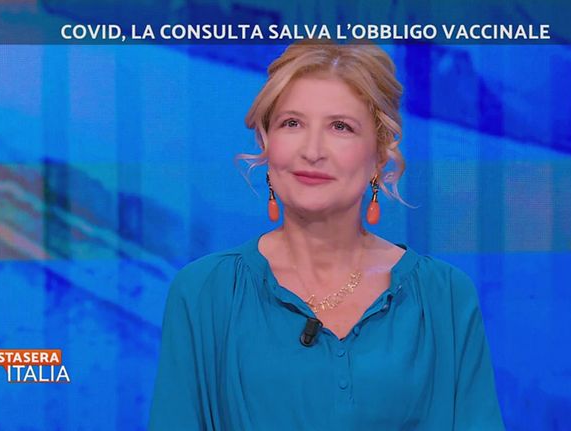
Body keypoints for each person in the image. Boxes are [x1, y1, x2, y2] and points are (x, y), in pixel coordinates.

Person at [148, 40, 504, 430]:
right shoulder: (205, 292)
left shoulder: (445, 297)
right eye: (292, 123)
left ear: (379, 156)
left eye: (340, 127)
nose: (312, 150)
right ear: (267, 144)